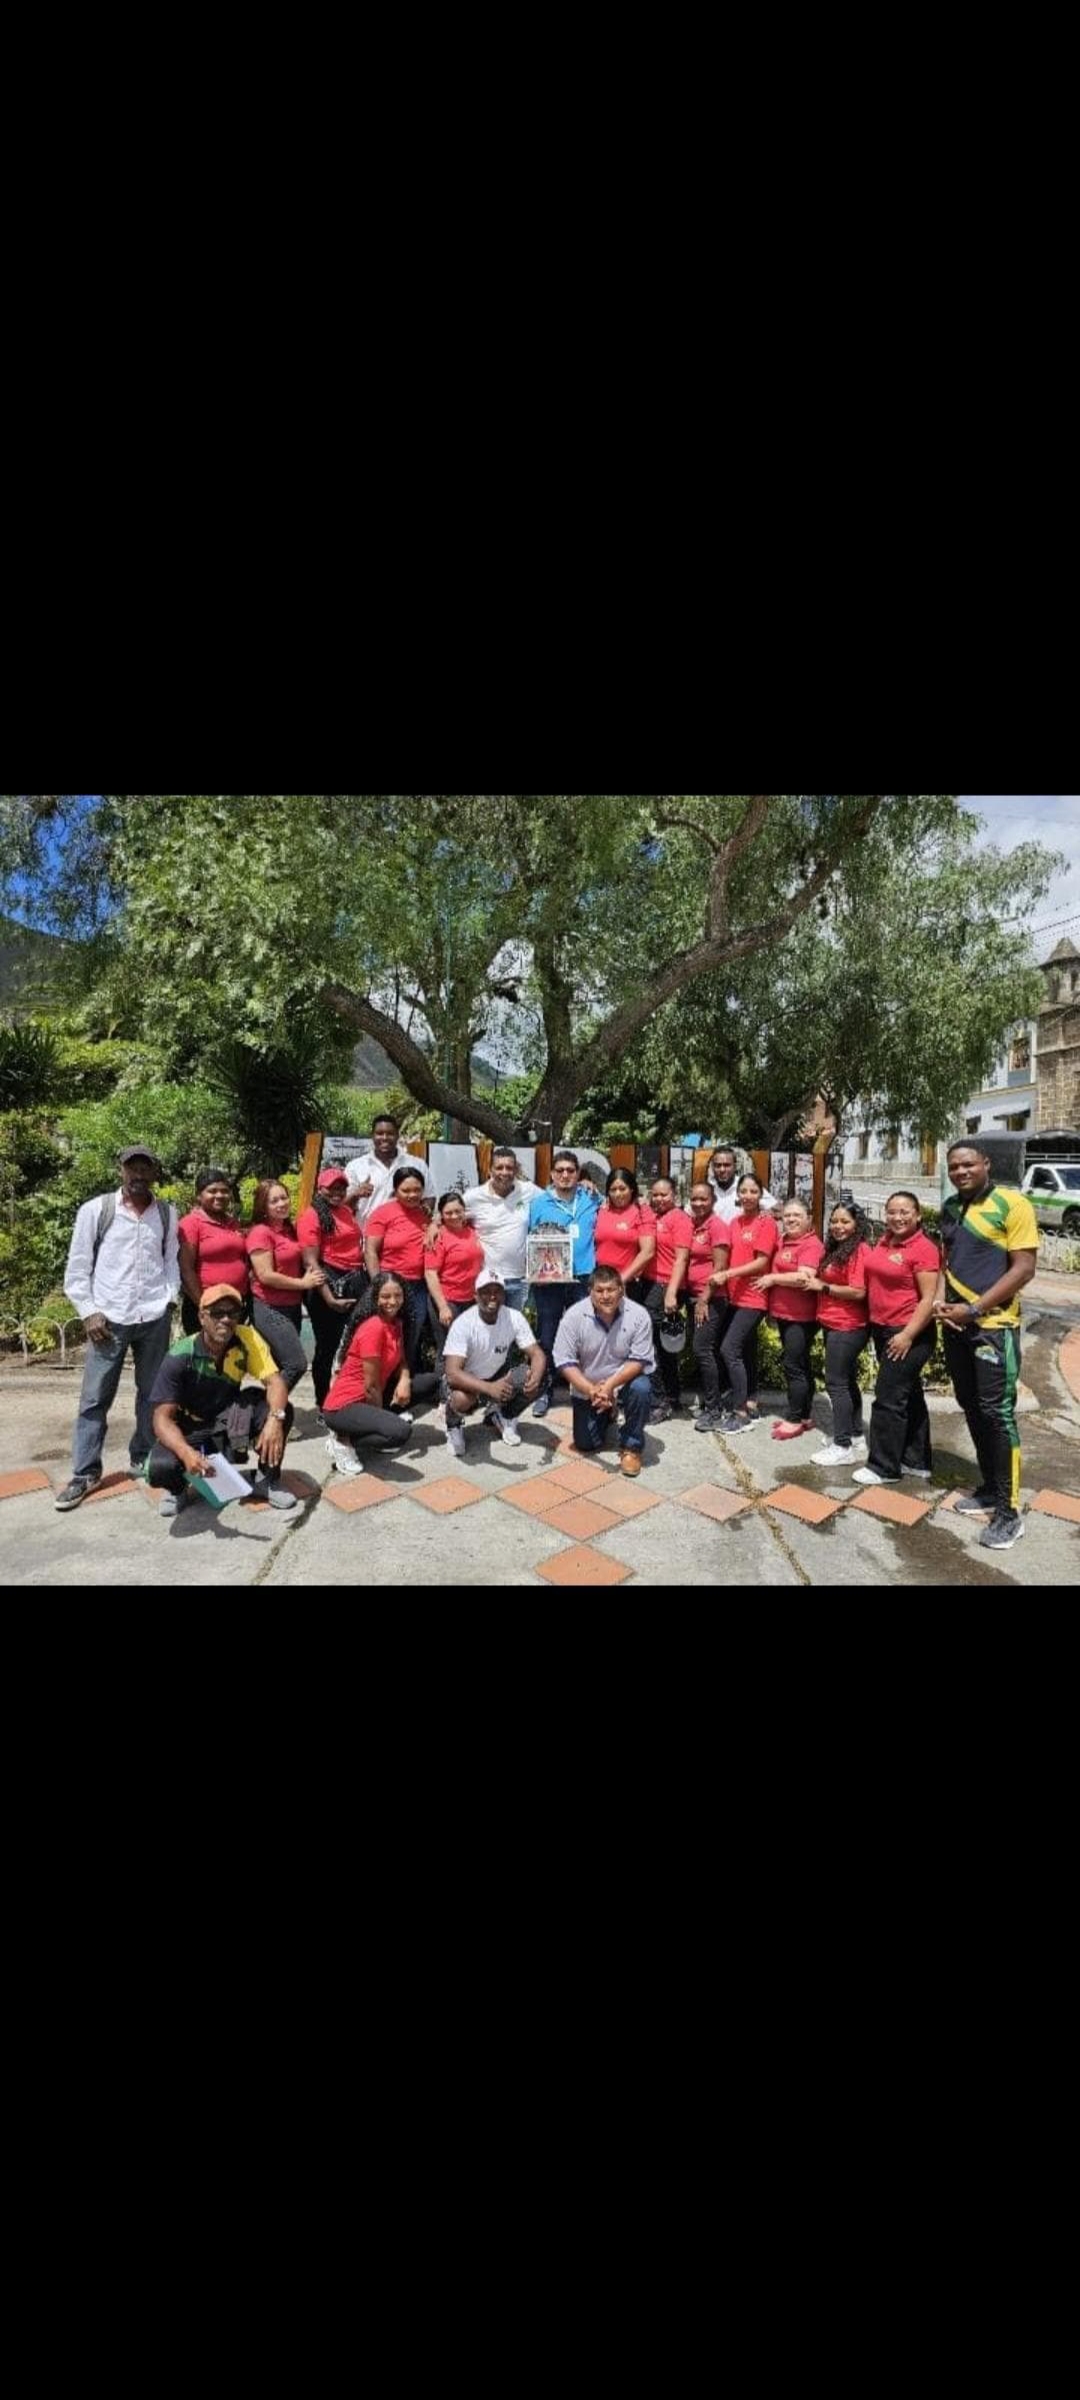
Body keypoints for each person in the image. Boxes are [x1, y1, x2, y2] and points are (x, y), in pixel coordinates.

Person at [55, 1145, 180, 1511]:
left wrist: (169, 1299)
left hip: (153, 1316)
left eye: (145, 1168)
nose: (138, 1175)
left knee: (152, 1394)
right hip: (108, 1320)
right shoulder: (97, 1211)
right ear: (120, 1170)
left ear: (155, 1173)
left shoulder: (167, 1214)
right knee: (95, 1398)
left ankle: (143, 1456)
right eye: (132, 1168)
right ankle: (85, 1472)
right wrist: (89, 1311)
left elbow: (170, 1261)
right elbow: (78, 1268)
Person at [934, 1140, 1039, 1548]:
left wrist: (974, 1309)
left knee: (998, 1415)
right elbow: (945, 1263)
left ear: (986, 1164)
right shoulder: (949, 1208)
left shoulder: (1012, 1204)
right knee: (972, 1406)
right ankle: (992, 1489)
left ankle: (1010, 1514)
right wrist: (942, 1304)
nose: (961, 1172)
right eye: (954, 1166)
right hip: (956, 1326)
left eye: (968, 1164)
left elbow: (1024, 1269)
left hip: (994, 1327)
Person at [145, 1283, 298, 1517]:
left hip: (227, 1419)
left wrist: (275, 1420)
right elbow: (161, 1419)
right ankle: (177, 1489)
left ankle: (266, 1479)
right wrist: (185, 1453)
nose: (226, 1319)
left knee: (281, 1409)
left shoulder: (246, 1337)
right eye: (217, 1313)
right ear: (202, 1317)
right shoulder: (180, 1356)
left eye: (233, 1313)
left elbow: (275, 1382)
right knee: (160, 1468)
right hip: (190, 1428)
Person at [851, 1193, 940, 1488]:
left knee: (888, 1399)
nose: (897, 1217)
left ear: (918, 1215)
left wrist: (907, 1335)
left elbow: (928, 1299)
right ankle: (916, 1460)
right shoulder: (885, 1240)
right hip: (884, 1328)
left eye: (904, 1212)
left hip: (907, 1332)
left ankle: (883, 1466)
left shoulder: (924, 1248)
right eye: (892, 1212)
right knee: (909, 1395)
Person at [322, 1273, 438, 1476]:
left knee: (430, 1381)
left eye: (397, 1295)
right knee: (400, 1432)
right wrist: (381, 1419)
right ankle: (341, 1441)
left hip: (372, 1395)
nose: (392, 1302)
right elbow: (371, 1386)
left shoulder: (396, 1323)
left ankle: (372, 1428)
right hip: (344, 1405)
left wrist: (404, 1380)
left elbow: (402, 1361)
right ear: (375, 1298)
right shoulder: (373, 1328)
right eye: (385, 1296)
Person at [552, 1264, 655, 1477]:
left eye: (611, 1290)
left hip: (623, 1382)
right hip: (589, 1386)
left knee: (642, 1387)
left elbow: (639, 1361)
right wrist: (592, 1390)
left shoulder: (639, 1315)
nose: (605, 1296)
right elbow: (564, 1361)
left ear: (621, 1290)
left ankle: (632, 1447)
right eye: (599, 1290)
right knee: (585, 1444)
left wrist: (610, 1386)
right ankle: (609, 1412)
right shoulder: (573, 1316)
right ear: (590, 1292)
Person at [798, 1200, 873, 1466]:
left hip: (848, 1325)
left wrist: (823, 1287)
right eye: (834, 1221)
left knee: (836, 1383)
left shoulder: (860, 1250)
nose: (838, 1226)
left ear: (857, 1224)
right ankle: (855, 1434)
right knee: (847, 1380)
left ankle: (842, 1446)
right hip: (833, 1322)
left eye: (845, 1221)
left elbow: (858, 1292)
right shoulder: (838, 1248)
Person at [527, 1151, 602, 1415]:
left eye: (570, 1170)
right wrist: (536, 1273)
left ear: (578, 1173)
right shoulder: (539, 1203)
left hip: (583, 1278)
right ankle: (544, 1391)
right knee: (547, 1336)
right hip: (549, 1281)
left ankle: (584, 1390)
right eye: (560, 1170)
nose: (565, 1175)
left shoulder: (592, 1198)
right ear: (552, 1174)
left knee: (585, 1336)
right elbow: (529, 1239)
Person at [441, 1268, 546, 1456]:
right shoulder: (464, 1323)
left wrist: (535, 1379)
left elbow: (537, 1353)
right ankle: (453, 1425)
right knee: (461, 1399)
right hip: (467, 1381)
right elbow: (452, 1374)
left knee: (541, 1376)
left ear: (504, 1295)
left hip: (496, 1375)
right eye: (486, 1292)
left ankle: (503, 1416)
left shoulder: (513, 1317)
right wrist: (489, 1389)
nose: (492, 1297)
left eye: (497, 1291)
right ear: (475, 1296)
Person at [709, 1174, 779, 1434]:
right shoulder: (735, 1222)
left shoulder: (766, 1222)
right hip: (735, 1296)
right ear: (737, 1194)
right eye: (744, 1191)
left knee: (729, 1349)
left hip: (754, 1296)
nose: (748, 1196)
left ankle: (740, 1414)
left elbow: (761, 1262)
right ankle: (750, 1401)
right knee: (746, 1350)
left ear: (761, 1195)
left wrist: (728, 1274)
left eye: (753, 1191)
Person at [755, 1197, 824, 1439]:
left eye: (797, 1215)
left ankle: (794, 1419)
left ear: (809, 1219)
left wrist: (772, 1279)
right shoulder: (784, 1240)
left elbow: (804, 1277)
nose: (791, 1220)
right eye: (787, 1216)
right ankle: (804, 1415)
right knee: (801, 1363)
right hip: (785, 1313)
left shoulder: (811, 1244)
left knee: (793, 1365)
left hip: (801, 1316)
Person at [298, 1165, 366, 1409]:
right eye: (332, 1188)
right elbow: (310, 1262)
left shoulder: (343, 1211)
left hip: (353, 1279)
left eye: (341, 1188)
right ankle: (322, 1402)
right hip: (328, 1283)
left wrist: (356, 1194)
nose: (337, 1192)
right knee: (327, 1347)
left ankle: (348, 1395)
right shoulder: (311, 1217)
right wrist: (329, 1298)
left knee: (357, 1342)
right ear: (320, 1189)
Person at [246, 1179, 324, 1391]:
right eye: (274, 1201)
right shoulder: (260, 1233)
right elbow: (265, 1275)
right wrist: (303, 1283)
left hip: (292, 1306)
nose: (281, 1203)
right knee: (295, 1364)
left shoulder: (289, 1230)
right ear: (263, 1206)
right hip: (269, 1306)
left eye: (284, 1198)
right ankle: (268, 1406)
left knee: (280, 1365)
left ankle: (273, 1408)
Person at [364, 1164, 434, 1372]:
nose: (412, 1195)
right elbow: (370, 1251)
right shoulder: (382, 1213)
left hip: (419, 1286)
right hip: (391, 1285)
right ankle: (383, 1379)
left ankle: (404, 1379)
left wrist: (434, 1222)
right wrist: (379, 1285)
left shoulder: (425, 1214)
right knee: (388, 1336)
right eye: (406, 1190)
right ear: (395, 1190)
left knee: (412, 1335)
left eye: (417, 1190)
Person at [459, 1147, 539, 1311]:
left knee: (514, 1324)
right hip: (489, 1278)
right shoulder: (474, 1197)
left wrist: (582, 1184)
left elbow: (554, 1197)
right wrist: (433, 1225)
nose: (504, 1172)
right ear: (490, 1170)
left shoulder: (528, 1191)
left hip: (519, 1279)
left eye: (509, 1168)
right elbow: (449, 1211)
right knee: (489, 1324)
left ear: (515, 1170)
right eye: (499, 1167)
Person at [682, 1183, 732, 1430]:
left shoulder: (717, 1226)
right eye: (694, 1199)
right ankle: (710, 1403)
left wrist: (704, 1299)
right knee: (701, 1350)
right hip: (694, 1297)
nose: (698, 1203)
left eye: (703, 1199)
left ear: (713, 1201)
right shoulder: (692, 1224)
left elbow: (720, 1268)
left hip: (712, 1298)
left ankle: (714, 1411)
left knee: (703, 1349)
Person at [643, 1177, 692, 1419]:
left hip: (666, 1286)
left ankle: (660, 1401)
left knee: (651, 1344)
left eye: (664, 1194)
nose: (659, 1199)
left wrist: (671, 1292)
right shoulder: (652, 1215)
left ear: (675, 1195)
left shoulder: (680, 1219)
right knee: (661, 1345)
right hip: (650, 1285)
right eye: (655, 1194)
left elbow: (682, 1258)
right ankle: (672, 1396)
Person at [177, 1168, 248, 1333]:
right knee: (206, 1349)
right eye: (212, 1191)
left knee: (232, 1349)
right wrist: (204, 1305)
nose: (220, 1195)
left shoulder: (233, 1223)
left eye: (224, 1191)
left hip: (235, 1304)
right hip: (206, 1307)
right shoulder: (191, 1223)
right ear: (199, 1196)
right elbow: (186, 1269)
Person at [424, 1191, 487, 1363]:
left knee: (469, 1349)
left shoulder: (472, 1231)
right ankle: (443, 1379)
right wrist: (443, 1307)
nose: (454, 1216)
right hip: (448, 1300)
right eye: (448, 1213)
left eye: (458, 1211)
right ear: (441, 1215)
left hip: (471, 1300)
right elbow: (430, 1273)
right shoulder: (438, 1237)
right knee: (449, 1350)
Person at [344, 1116, 436, 1229]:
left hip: (406, 1235)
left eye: (390, 1134)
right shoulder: (355, 1166)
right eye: (379, 1133)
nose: (385, 1138)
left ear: (397, 1135)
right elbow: (342, 1205)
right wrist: (356, 1194)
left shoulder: (417, 1164)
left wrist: (423, 1213)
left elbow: (429, 1196)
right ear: (372, 1136)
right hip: (366, 1234)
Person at [593, 1167, 656, 1305]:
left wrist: (621, 1280)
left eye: (622, 1189)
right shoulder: (601, 1211)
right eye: (613, 1190)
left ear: (632, 1189)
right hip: (600, 1282)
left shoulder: (642, 1211)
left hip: (627, 1284)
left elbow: (648, 1251)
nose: (618, 1194)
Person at [705, 1146, 778, 1222]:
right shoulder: (707, 1190)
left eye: (727, 1165)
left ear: (735, 1166)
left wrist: (764, 1215)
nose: (722, 1169)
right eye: (718, 1165)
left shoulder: (747, 1185)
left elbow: (777, 1210)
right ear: (713, 1167)